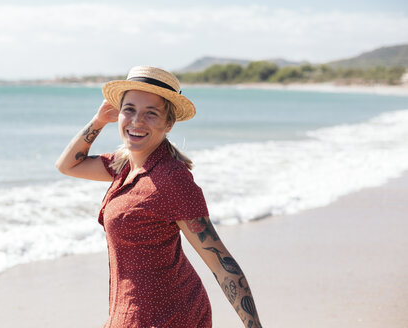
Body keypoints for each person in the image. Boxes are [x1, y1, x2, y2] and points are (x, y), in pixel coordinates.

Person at [55, 66, 262, 328]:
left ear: (169, 124)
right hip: (131, 311)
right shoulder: (124, 165)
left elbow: (221, 263)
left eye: (151, 113)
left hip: (167, 317)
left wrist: (253, 326)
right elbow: (67, 165)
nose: (136, 121)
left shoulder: (172, 179)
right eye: (129, 109)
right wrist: (98, 121)